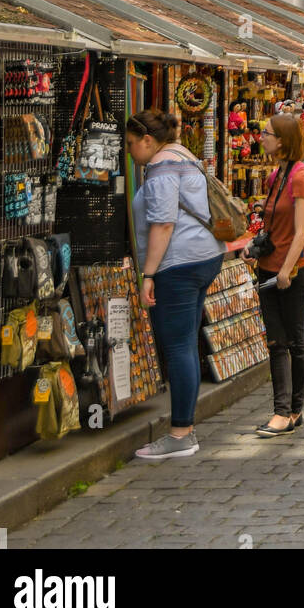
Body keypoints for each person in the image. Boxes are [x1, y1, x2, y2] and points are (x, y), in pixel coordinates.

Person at [127, 110, 226, 460]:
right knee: (186, 343)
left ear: (148, 141)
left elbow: (163, 223)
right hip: (203, 257)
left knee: (179, 347)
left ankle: (181, 433)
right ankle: (186, 427)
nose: (129, 151)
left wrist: (148, 274)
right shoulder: (185, 156)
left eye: (131, 144)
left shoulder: (161, 167)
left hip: (178, 263)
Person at [246, 113, 304, 437]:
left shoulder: (300, 176)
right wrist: (254, 245)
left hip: (292, 271)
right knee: (276, 342)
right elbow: (274, 224)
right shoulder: (277, 174)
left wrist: (287, 269)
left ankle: (293, 410)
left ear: (284, 140)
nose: (262, 137)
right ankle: (281, 411)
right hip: (268, 268)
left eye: (268, 133)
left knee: (296, 341)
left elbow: (301, 231)